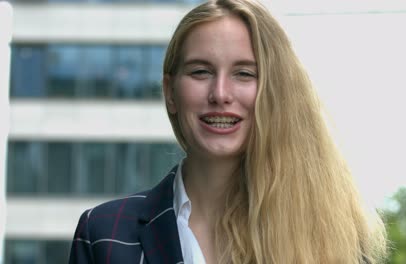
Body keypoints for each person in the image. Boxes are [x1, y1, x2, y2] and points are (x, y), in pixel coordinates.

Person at [69, 0, 387, 263]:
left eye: (244, 73)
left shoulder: (332, 237)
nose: (220, 93)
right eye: (200, 71)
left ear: (274, 92)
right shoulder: (103, 233)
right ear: (170, 91)